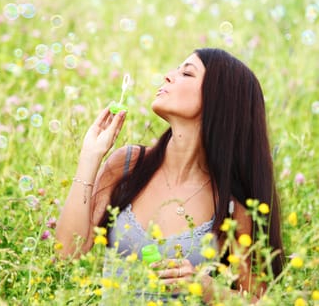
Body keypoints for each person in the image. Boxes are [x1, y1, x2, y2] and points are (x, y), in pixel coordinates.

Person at [56, 48, 284, 304]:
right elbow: (66, 254)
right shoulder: (129, 164)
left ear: (217, 98)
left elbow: (260, 301)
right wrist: (90, 158)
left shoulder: (232, 203)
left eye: (186, 72)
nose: (168, 76)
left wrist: (206, 288)